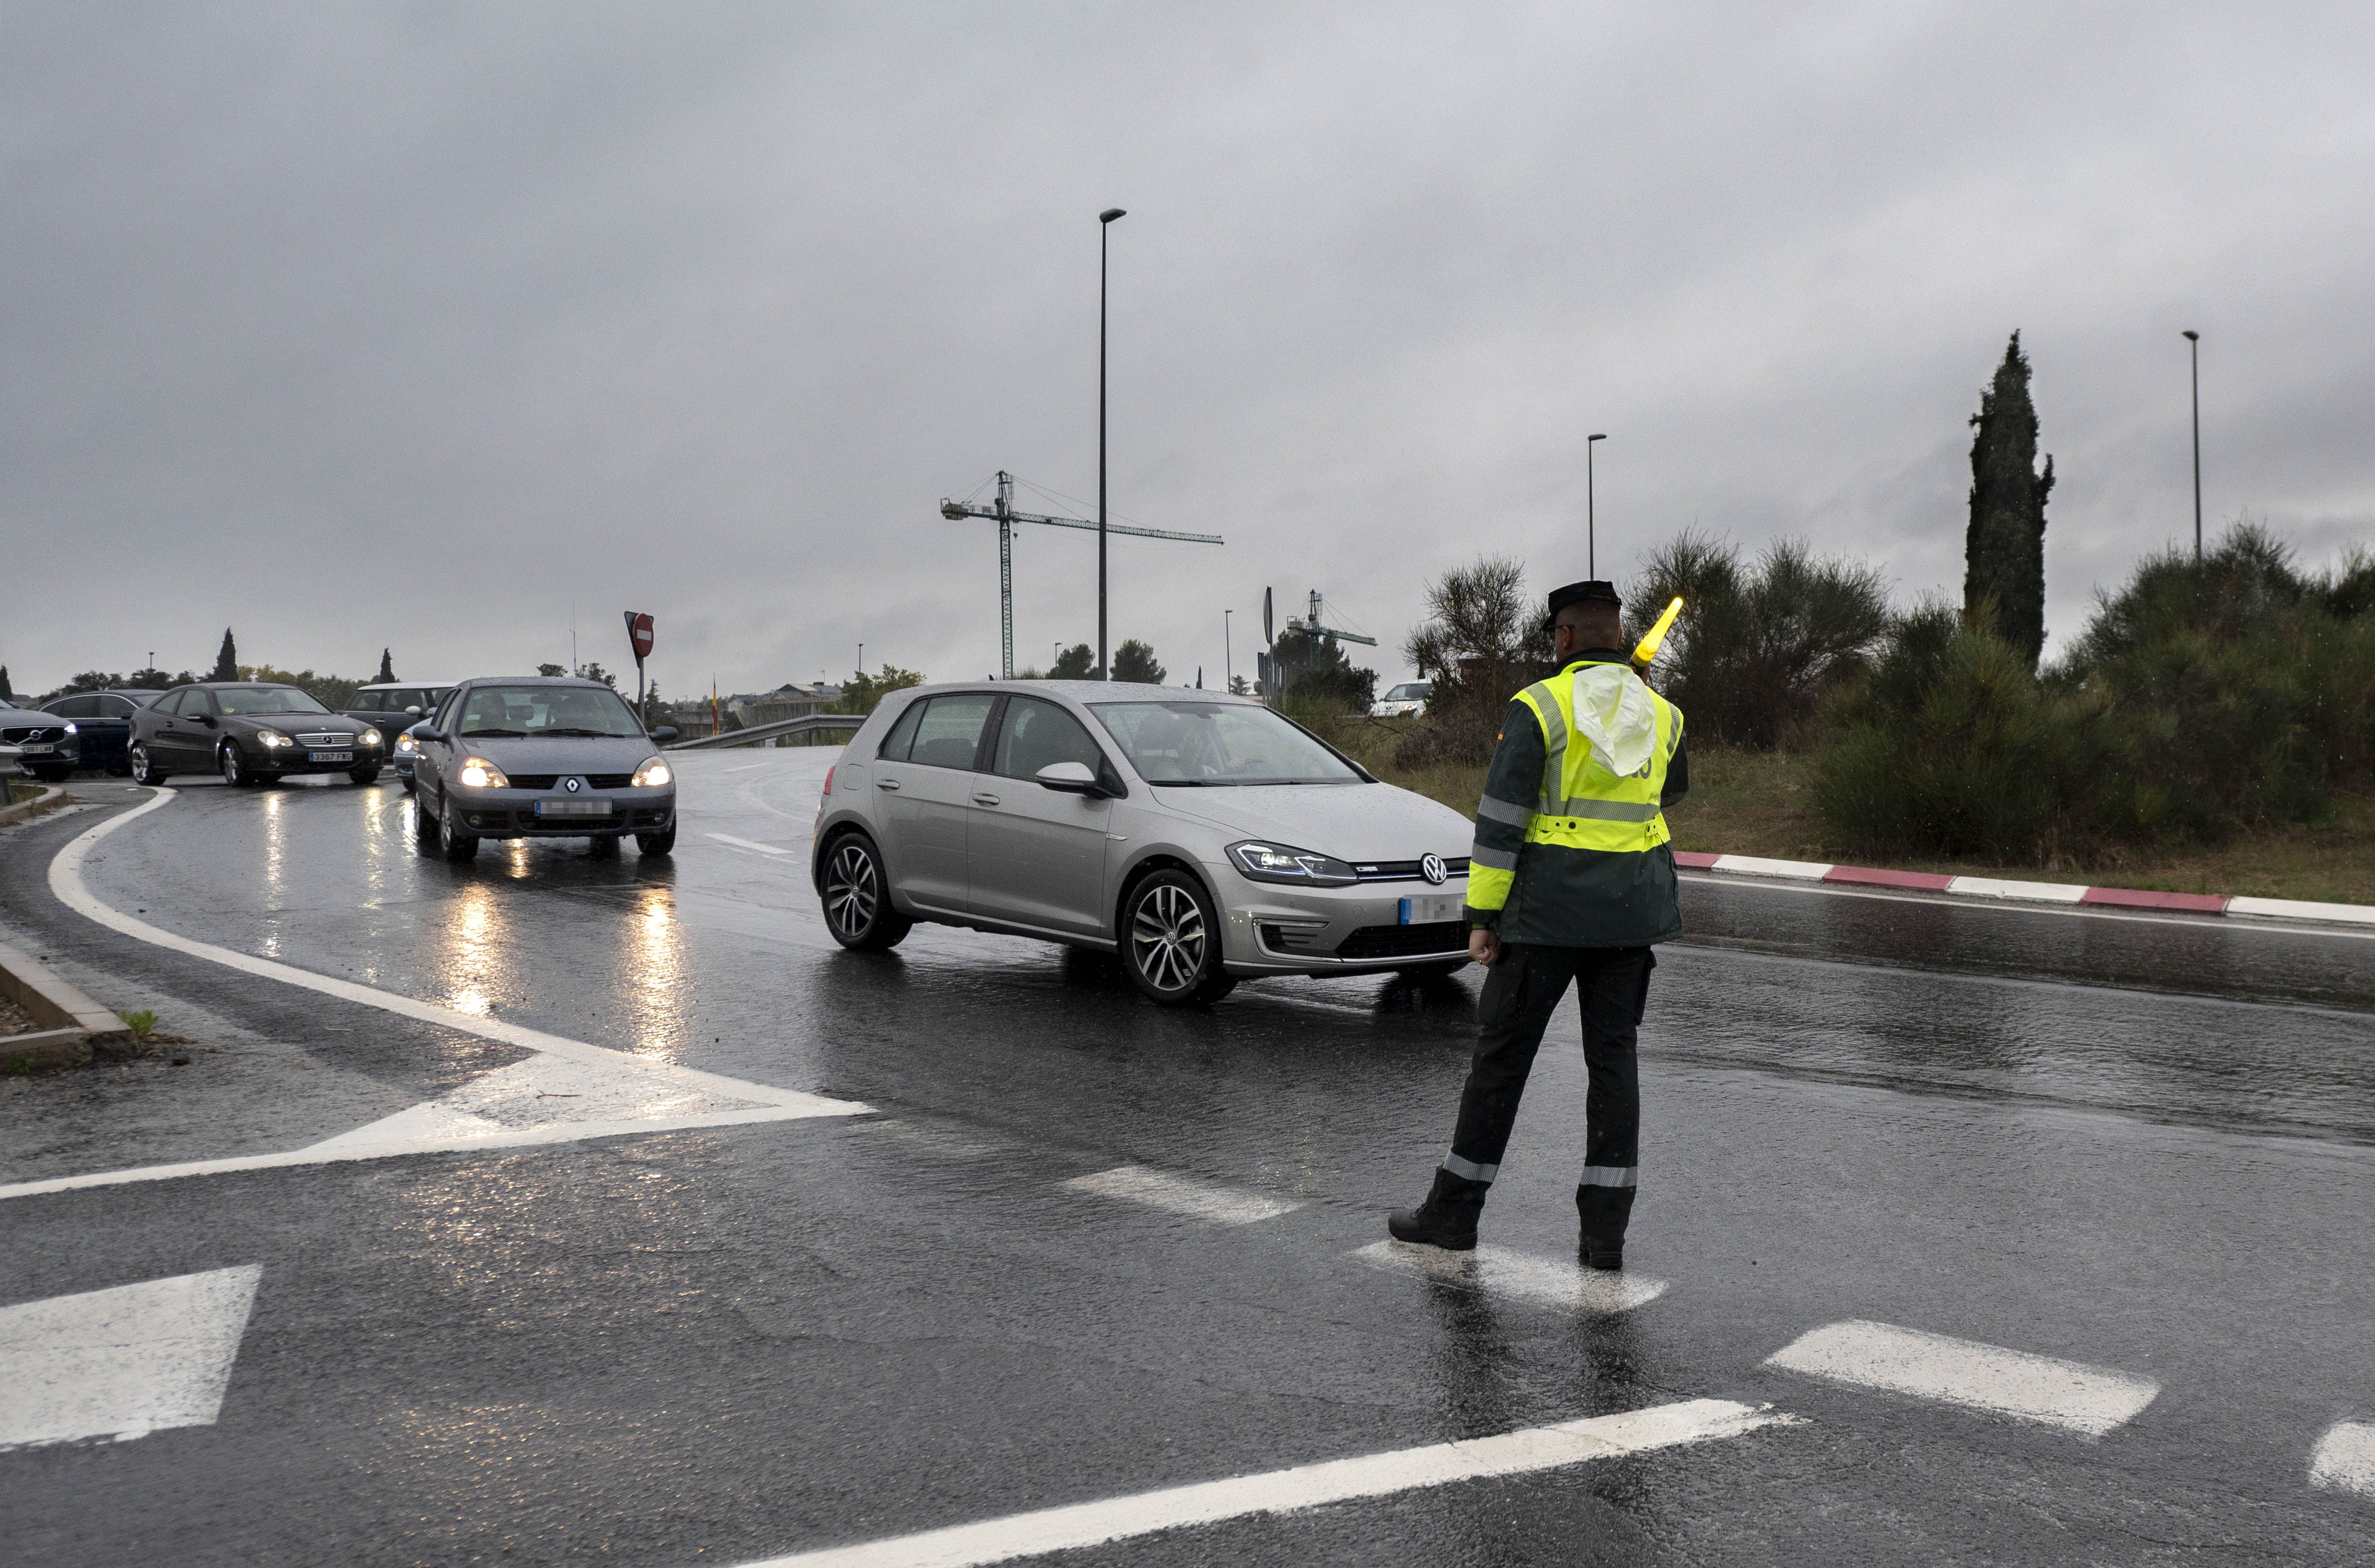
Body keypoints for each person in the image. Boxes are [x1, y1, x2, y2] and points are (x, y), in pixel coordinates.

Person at [1387, 579, 1688, 1270]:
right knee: (1614, 1067)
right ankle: (1604, 1239)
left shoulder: (1538, 706)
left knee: (1500, 1064)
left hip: (1544, 919)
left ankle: (1453, 1215)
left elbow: (1501, 823)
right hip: (1628, 918)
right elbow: (1666, 790)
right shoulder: (1663, 714)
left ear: (1563, 639)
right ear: (1619, 634)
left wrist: (1483, 917)